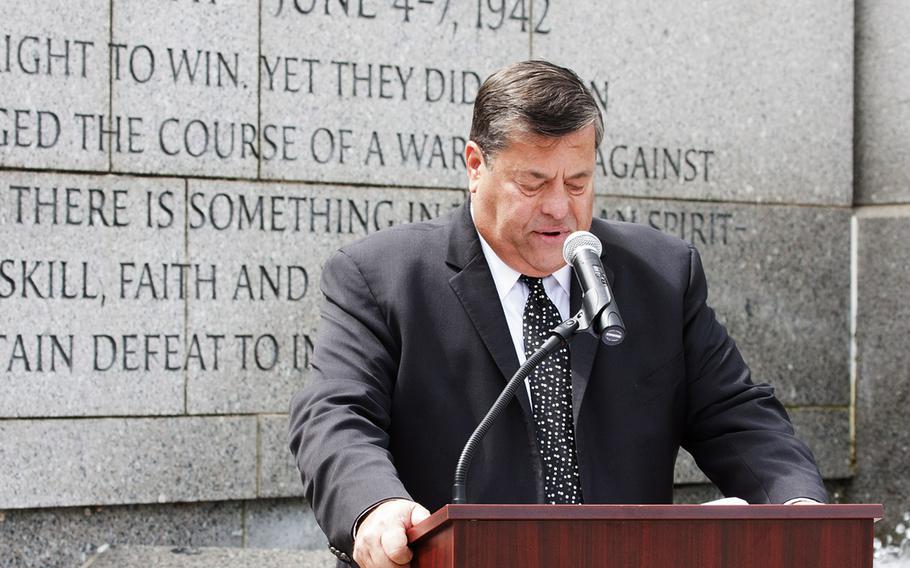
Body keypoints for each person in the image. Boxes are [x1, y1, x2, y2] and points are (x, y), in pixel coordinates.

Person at [289, 60, 827, 568]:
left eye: (578, 182)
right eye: (534, 183)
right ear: (476, 166)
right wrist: (374, 508)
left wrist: (796, 505)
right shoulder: (381, 277)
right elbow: (335, 416)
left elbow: (737, 414)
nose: (560, 208)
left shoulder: (661, 274)